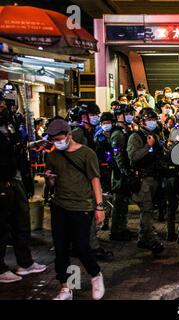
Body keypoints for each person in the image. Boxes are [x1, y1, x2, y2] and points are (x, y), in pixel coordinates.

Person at [44, 119, 105, 300]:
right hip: (59, 206)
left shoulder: (87, 154)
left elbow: (95, 180)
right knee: (61, 248)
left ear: (69, 135)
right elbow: (52, 184)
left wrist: (99, 207)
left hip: (82, 207)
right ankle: (66, 287)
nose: (57, 142)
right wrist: (49, 178)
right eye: (54, 139)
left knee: (81, 246)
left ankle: (96, 275)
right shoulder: (53, 155)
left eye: (60, 138)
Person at [0, 96, 47, 284]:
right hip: (3, 181)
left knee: (21, 220)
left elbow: (14, 148)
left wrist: (33, 145)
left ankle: (25, 263)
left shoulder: (9, 122)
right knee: (2, 225)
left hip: (16, 176)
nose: (4, 105)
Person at [127, 108, 165, 254]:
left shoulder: (154, 135)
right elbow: (133, 157)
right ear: (142, 121)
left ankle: (143, 237)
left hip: (153, 178)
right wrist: (147, 146)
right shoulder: (135, 137)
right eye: (149, 120)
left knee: (150, 209)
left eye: (154, 120)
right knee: (147, 209)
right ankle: (148, 238)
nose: (152, 122)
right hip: (142, 179)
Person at [109, 105, 137, 241]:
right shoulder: (118, 133)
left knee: (124, 202)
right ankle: (116, 231)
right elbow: (118, 155)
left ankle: (123, 228)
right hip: (120, 174)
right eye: (128, 113)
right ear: (119, 115)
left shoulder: (125, 130)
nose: (131, 115)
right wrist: (124, 171)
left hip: (125, 172)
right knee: (119, 202)